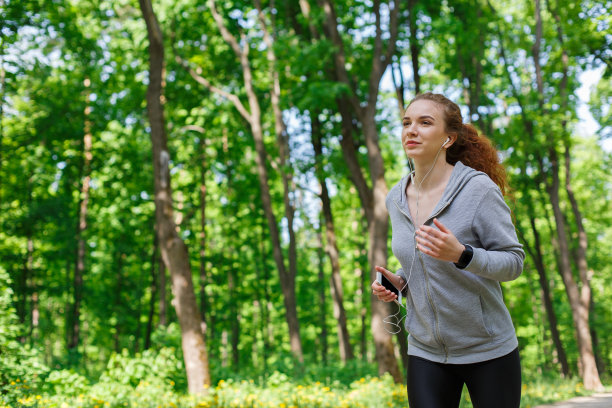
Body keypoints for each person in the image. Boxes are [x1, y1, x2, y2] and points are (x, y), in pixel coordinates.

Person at [372, 92, 524, 408]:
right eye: (406, 122)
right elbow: (421, 265)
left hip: (488, 348)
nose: (411, 130)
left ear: (448, 138)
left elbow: (513, 262)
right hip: (425, 349)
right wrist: (399, 284)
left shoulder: (478, 189)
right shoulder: (395, 198)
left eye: (425, 123)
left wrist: (462, 255)